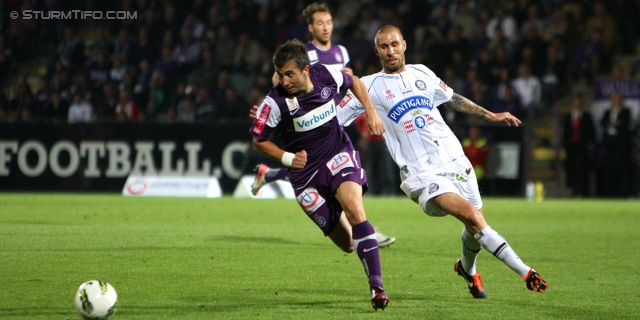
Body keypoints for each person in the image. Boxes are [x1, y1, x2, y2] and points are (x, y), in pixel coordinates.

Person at [338, 25, 548, 298]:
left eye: (394, 45)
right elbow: (332, 117)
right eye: (384, 47)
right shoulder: (368, 86)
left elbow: (452, 99)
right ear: (376, 51)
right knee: (472, 217)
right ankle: (525, 271)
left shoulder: (423, 72)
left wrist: (489, 115)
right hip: (422, 174)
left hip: (455, 161)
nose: (390, 51)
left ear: (404, 45)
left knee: (474, 226)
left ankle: (467, 270)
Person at [250, 39, 389, 310]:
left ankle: (377, 287)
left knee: (354, 209)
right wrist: (288, 158)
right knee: (348, 245)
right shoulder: (276, 100)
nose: (284, 80)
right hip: (305, 177)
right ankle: (361, 244)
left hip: (337, 154)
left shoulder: (325, 73)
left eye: (289, 73)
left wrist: (371, 112)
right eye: (280, 73)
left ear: (305, 69)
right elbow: (258, 140)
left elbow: (355, 82)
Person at [252, 2, 396, 248]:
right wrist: (271, 109)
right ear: (311, 27)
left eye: (329, 22)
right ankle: (362, 227)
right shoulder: (305, 53)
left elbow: (349, 80)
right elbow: (280, 80)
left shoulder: (340, 51)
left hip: (336, 114)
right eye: (320, 23)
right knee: (317, 169)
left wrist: (365, 109)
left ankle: (359, 225)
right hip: (312, 119)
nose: (326, 27)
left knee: (329, 171)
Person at [562, 95, 595, 197]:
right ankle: (574, 189)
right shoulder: (568, 116)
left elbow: (591, 132)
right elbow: (566, 132)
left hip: (583, 147)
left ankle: (584, 191)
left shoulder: (587, 116)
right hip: (571, 147)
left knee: (583, 169)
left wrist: (589, 144)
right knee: (572, 169)